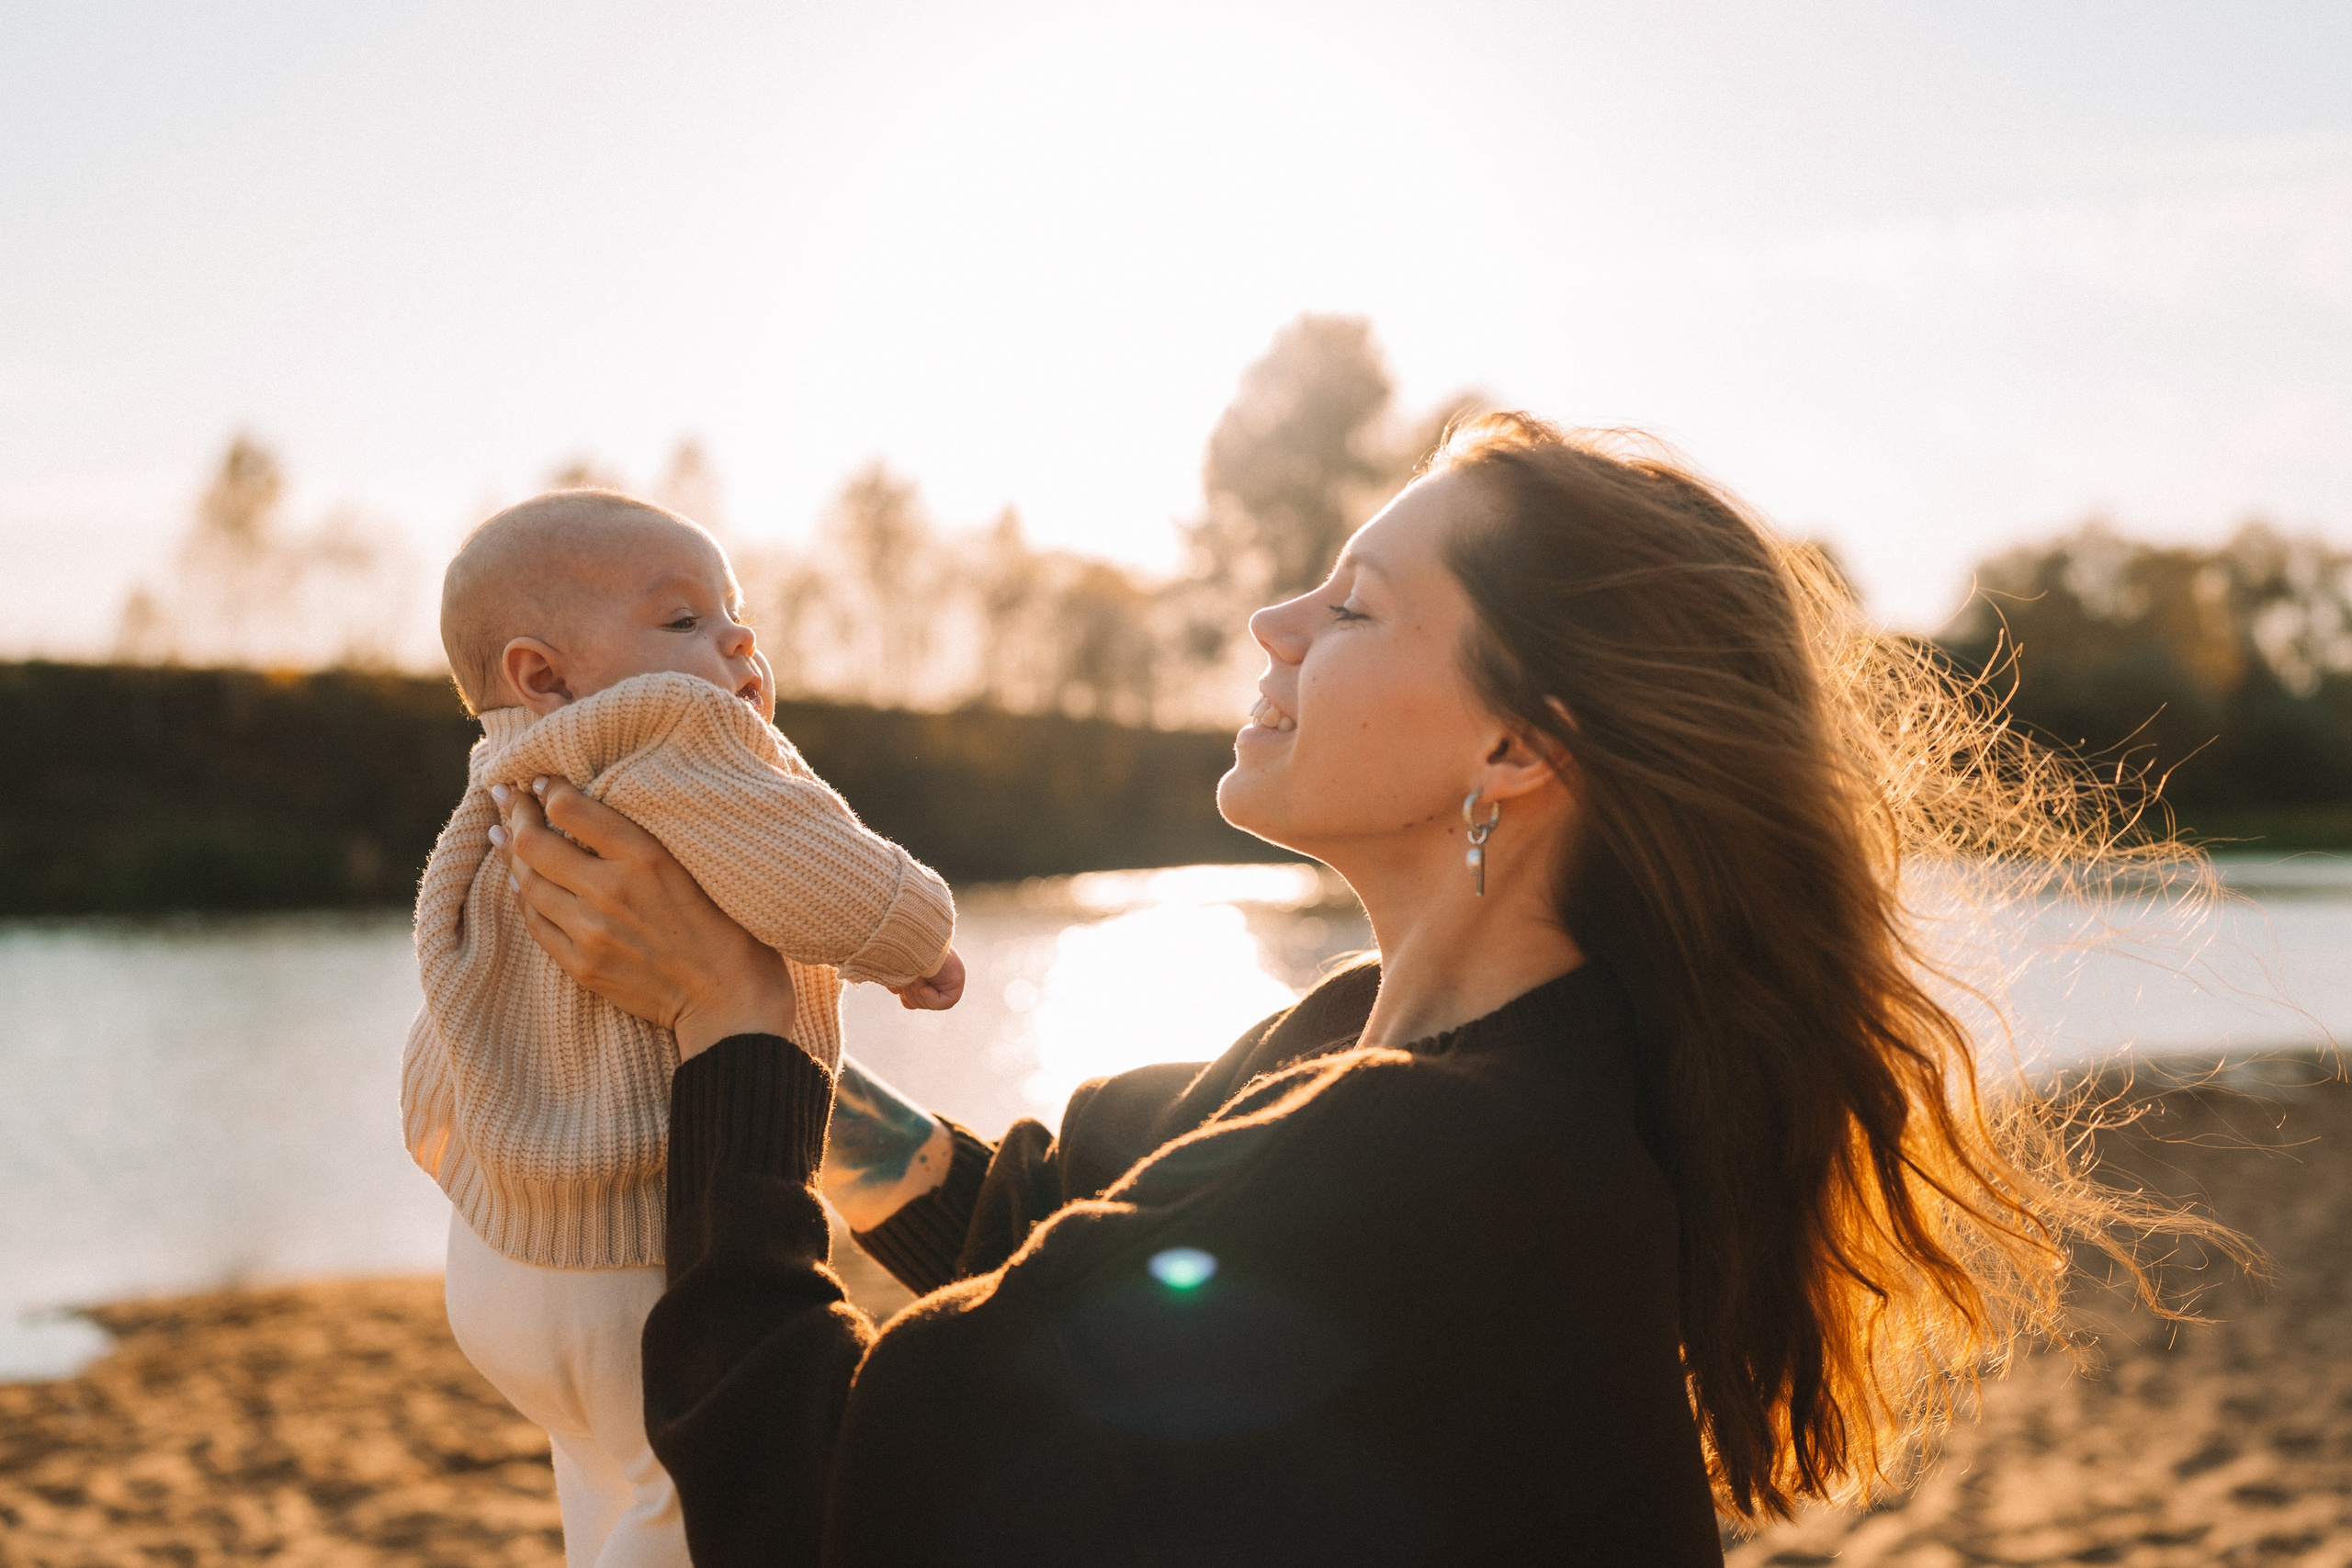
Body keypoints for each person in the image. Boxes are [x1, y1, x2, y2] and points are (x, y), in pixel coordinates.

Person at [492, 414, 2222, 1565]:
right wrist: (740, 1009)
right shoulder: (1410, 1051)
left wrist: (729, 1036)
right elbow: (1041, 1218)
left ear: (1517, 745)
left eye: (1357, 605)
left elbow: (816, 1496)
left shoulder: (1438, 1160)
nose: (1273, 619)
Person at [406, 491, 964, 1568]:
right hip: (636, 1261)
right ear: (541, 674)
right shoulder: (672, 733)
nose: (739, 641)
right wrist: (912, 938)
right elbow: (825, 873)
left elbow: (446, 982)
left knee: (599, 1478)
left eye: (737, 615)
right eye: (683, 620)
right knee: (682, 1501)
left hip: (499, 1257)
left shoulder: (500, 788)